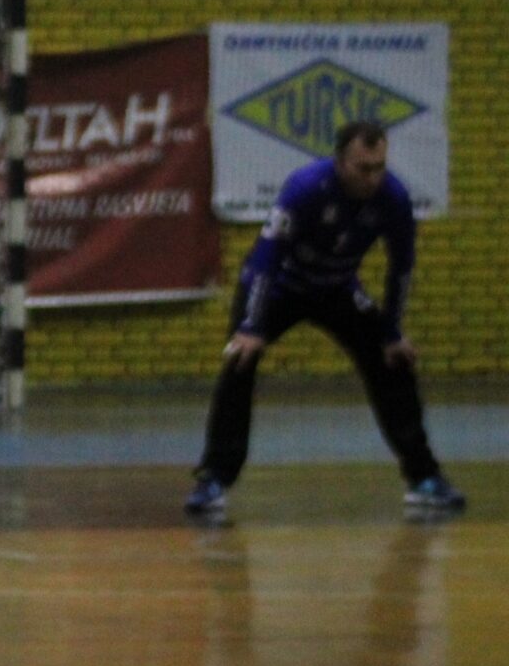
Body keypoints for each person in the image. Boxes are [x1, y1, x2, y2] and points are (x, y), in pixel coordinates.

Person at [186, 120, 466, 518]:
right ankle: (214, 478)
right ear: (340, 162)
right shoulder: (305, 188)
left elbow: (401, 269)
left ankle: (424, 477)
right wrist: (251, 327)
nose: (372, 178)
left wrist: (392, 333)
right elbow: (266, 258)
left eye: (379, 167)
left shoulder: (394, 198)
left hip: (336, 288)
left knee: (392, 363)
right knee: (239, 361)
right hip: (280, 286)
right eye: (363, 168)